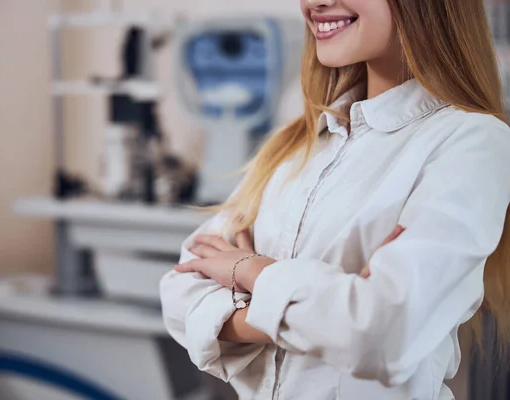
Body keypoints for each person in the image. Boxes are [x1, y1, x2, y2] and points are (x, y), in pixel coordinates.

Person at [160, 0, 510, 399]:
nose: (318, 2)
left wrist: (250, 271)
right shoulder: (294, 144)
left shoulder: (472, 142)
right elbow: (179, 289)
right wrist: (331, 310)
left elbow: (382, 333)